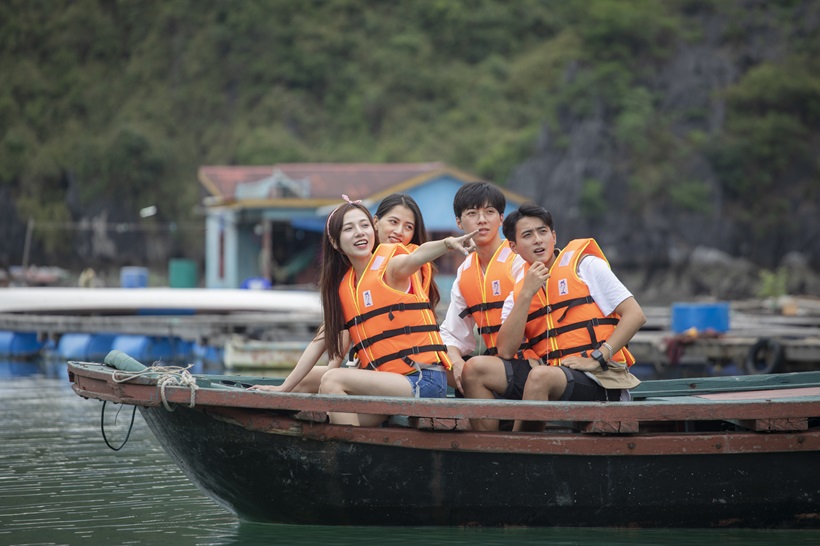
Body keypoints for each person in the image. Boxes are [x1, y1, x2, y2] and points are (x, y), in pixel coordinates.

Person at [257, 195, 477, 427]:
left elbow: (417, 256)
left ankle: (346, 443)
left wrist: (447, 244)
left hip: (422, 379)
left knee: (333, 379)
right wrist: (283, 388)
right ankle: (336, 431)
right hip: (385, 379)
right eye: (349, 229)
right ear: (335, 242)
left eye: (363, 226)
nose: (359, 233)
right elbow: (320, 341)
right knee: (311, 379)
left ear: (372, 229)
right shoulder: (346, 285)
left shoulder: (391, 266)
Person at [496, 202, 646, 432]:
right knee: (477, 369)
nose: (538, 240)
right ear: (513, 247)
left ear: (554, 236)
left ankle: (518, 452)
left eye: (543, 232)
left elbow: (635, 315)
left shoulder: (585, 266)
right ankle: (483, 443)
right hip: (555, 375)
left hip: (602, 378)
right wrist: (526, 294)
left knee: (539, 377)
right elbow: (506, 351)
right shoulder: (518, 292)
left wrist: (597, 357)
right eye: (528, 235)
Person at [438, 182, 540, 431]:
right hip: (497, 367)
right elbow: (452, 334)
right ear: (459, 223)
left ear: (501, 219)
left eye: (490, 212)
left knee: (475, 368)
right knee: (433, 365)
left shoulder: (518, 260)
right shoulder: (465, 271)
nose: (482, 220)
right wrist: (456, 362)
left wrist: (467, 367)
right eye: (472, 213)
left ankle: (486, 442)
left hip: (533, 364)